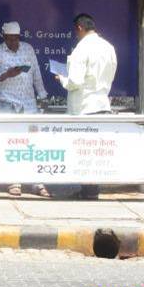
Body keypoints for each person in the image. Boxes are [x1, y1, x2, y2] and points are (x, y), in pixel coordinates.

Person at [54, 14, 117, 200]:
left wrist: (62, 78)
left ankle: (89, 191)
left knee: (83, 151)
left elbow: (75, 81)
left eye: (76, 31)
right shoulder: (109, 47)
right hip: (102, 103)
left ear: (79, 28)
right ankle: (91, 190)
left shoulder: (82, 49)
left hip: (84, 107)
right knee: (95, 151)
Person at [0, 20, 49, 197]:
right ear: (4, 37)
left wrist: (42, 96)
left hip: (29, 103)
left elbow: (36, 74)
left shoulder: (27, 49)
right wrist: (6, 75)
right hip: (7, 103)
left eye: (16, 39)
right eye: (10, 39)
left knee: (33, 144)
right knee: (11, 143)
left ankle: (37, 182)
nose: (14, 42)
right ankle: (14, 181)